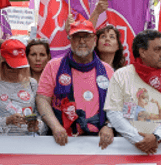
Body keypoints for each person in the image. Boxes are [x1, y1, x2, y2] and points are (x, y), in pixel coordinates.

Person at [36, 18, 115, 147]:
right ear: (70, 39)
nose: (82, 41)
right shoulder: (53, 66)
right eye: (77, 37)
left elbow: (116, 104)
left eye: (87, 37)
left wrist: (109, 126)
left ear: (95, 40)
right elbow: (42, 99)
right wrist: (55, 126)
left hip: (99, 141)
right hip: (62, 139)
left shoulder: (107, 70)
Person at [104, 30, 161, 154]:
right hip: (129, 150)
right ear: (142, 52)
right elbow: (113, 112)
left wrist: (156, 137)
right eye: (157, 49)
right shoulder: (121, 75)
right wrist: (138, 140)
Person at [0, 38, 44, 135]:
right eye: (11, 66)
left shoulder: (32, 84)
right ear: (1, 62)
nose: (15, 70)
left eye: (19, 66)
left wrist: (36, 125)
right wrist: (7, 120)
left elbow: (41, 117)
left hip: (27, 144)